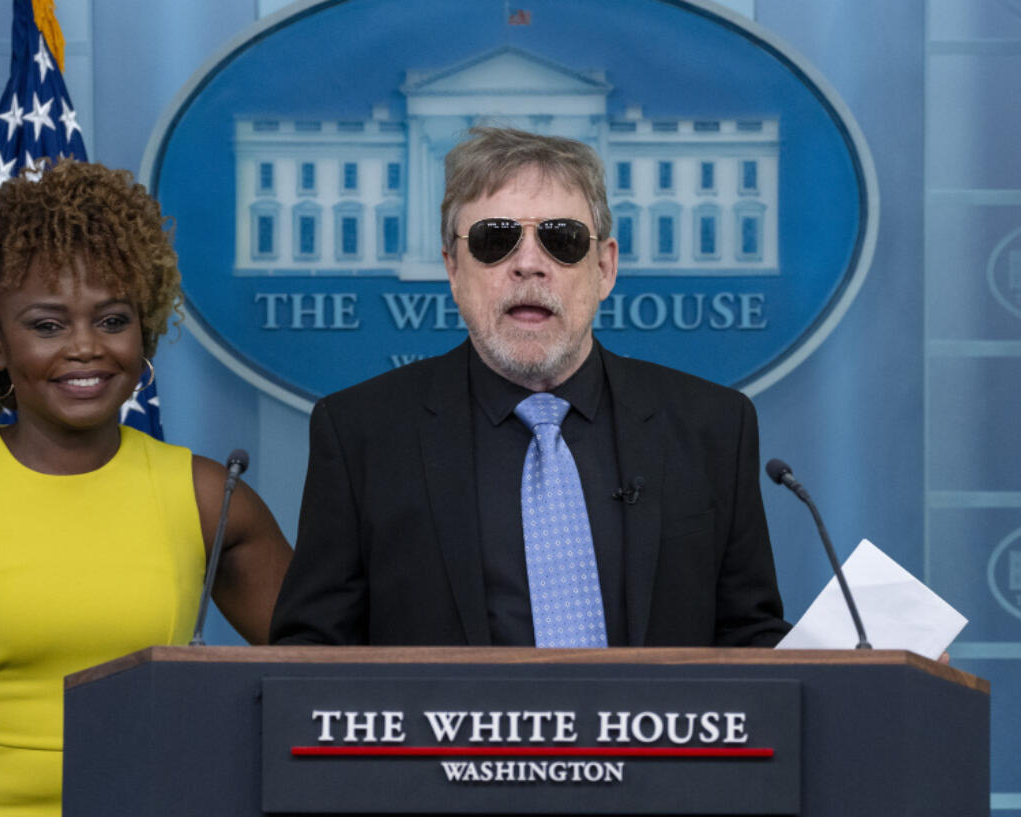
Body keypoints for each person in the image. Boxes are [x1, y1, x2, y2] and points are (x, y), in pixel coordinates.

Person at [0, 160, 292, 816]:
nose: (85, 347)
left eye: (112, 319)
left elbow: (326, 692)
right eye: (46, 325)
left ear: (145, 331)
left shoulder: (210, 496)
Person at [270, 126, 788, 648]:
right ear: (453, 268)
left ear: (604, 267)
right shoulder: (361, 434)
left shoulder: (714, 426)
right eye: (495, 240)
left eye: (561, 239)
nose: (528, 264)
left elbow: (752, 640)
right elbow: (312, 658)